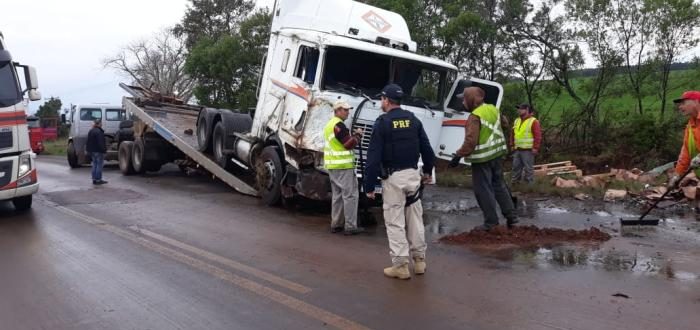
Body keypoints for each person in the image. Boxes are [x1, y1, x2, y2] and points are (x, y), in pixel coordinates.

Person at [365, 84, 435, 280]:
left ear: (387, 100)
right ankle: (420, 261)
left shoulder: (382, 123)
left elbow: (373, 158)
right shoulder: (413, 120)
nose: (381, 102)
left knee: (395, 221)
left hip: (393, 179)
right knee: (415, 219)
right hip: (413, 176)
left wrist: (369, 186)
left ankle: (401, 265)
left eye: (382, 99)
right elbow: (427, 149)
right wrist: (428, 171)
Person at [448, 87, 518, 230]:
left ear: (471, 99)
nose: (463, 101)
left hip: (482, 159)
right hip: (497, 155)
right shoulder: (493, 109)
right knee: (499, 185)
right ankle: (512, 216)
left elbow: (471, 141)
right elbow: (505, 123)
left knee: (483, 189)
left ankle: (491, 222)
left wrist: (458, 155)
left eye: (464, 98)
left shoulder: (474, 116)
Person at [324, 100, 365, 235]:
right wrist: (358, 135)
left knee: (338, 195)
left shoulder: (329, 125)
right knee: (350, 195)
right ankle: (350, 226)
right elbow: (348, 144)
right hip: (343, 166)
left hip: (333, 165)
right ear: (338, 110)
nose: (348, 112)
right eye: (345, 110)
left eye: (348, 110)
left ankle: (336, 224)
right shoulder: (339, 125)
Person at [670, 90, 700, 219]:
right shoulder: (691, 125)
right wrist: (677, 175)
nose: (680, 107)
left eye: (683, 103)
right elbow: (685, 153)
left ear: (696, 102)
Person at [510, 104, 542, 185]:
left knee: (528, 169)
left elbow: (537, 136)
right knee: (515, 167)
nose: (519, 110)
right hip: (517, 149)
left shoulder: (533, 121)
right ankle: (515, 183)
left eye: (521, 109)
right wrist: (511, 145)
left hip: (528, 150)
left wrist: (535, 147)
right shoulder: (516, 120)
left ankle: (529, 185)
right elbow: (513, 134)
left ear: (527, 109)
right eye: (518, 108)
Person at [86, 118, 107, 185]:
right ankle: (98, 180)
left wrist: (88, 150)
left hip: (92, 151)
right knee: (99, 165)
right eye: (101, 123)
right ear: (99, 124)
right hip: (98, 151)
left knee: (94, 164)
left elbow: (88, 142)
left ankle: (94, 179)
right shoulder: (99, 132)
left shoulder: (91, 131)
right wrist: (104, 150)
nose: (102, 124)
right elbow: (101, 143)